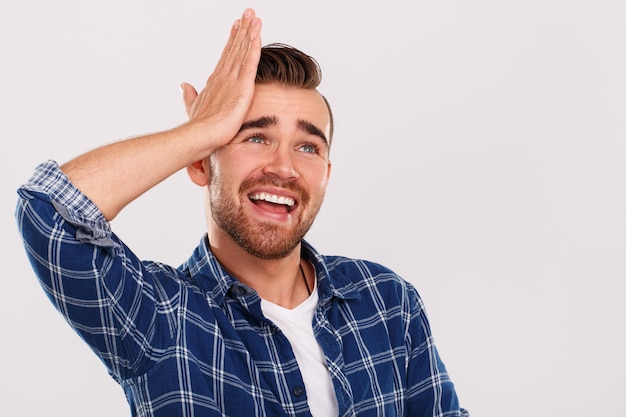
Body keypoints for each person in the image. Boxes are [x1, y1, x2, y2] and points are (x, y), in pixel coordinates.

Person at [15, 8, 468, 417]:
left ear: (326, 173)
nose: (285, 167)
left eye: (308, 146)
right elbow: (48, 211)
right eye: (254, 137)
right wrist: (202, 130)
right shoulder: (162, 318)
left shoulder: (388, 303)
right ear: (198, 161)